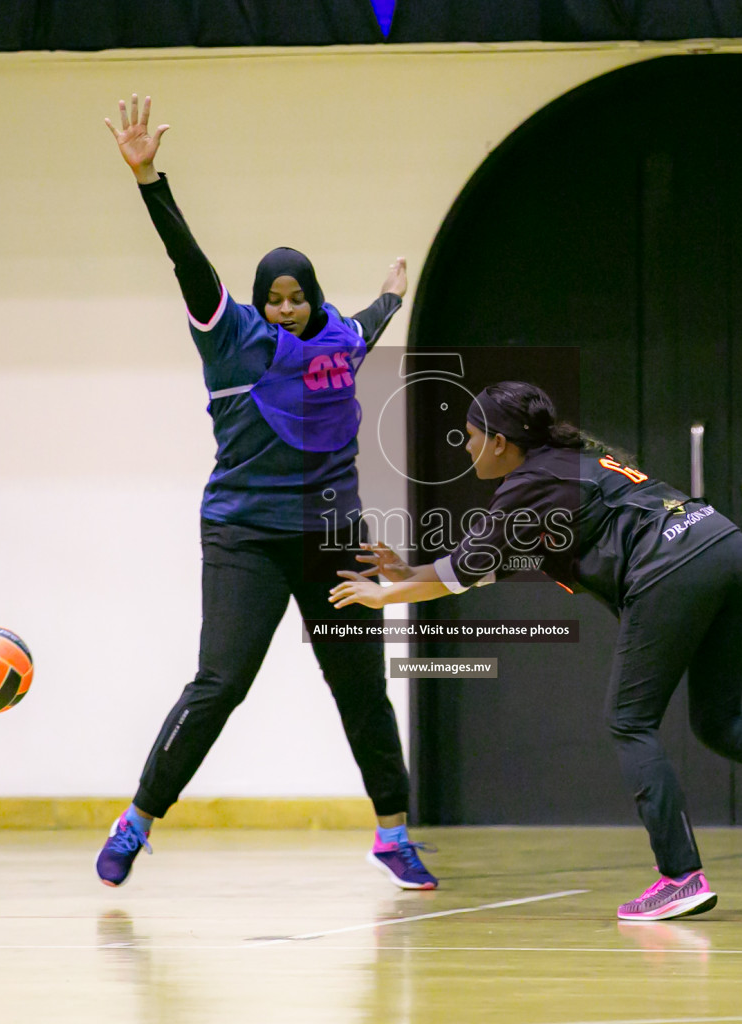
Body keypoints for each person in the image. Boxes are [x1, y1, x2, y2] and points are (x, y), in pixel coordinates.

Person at [330, 381, 742, 920]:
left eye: (471, 437)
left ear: (499, 441)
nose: (465, 448)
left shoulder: (528, 483)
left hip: (671, 569)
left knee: (628, 721)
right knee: (718, 719)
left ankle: (680, 876)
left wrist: (386, 593)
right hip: (724, 546)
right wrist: (407, 574)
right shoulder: (573, 457)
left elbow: (464, 571)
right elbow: (481, 567)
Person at [96, 93, 436, 891]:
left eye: (298, 298)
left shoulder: (339, 344)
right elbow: (190, 262)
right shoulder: (231, 337)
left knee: (362, 689)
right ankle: (136, 823)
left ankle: (393, 836)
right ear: (257, 301)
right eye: (273, 298)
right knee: (221, 684)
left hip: (330, 537)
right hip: (245, 536)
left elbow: (366, 325)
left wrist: (390, 297)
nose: (286, 309)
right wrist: (150, 181)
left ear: (312, 299)